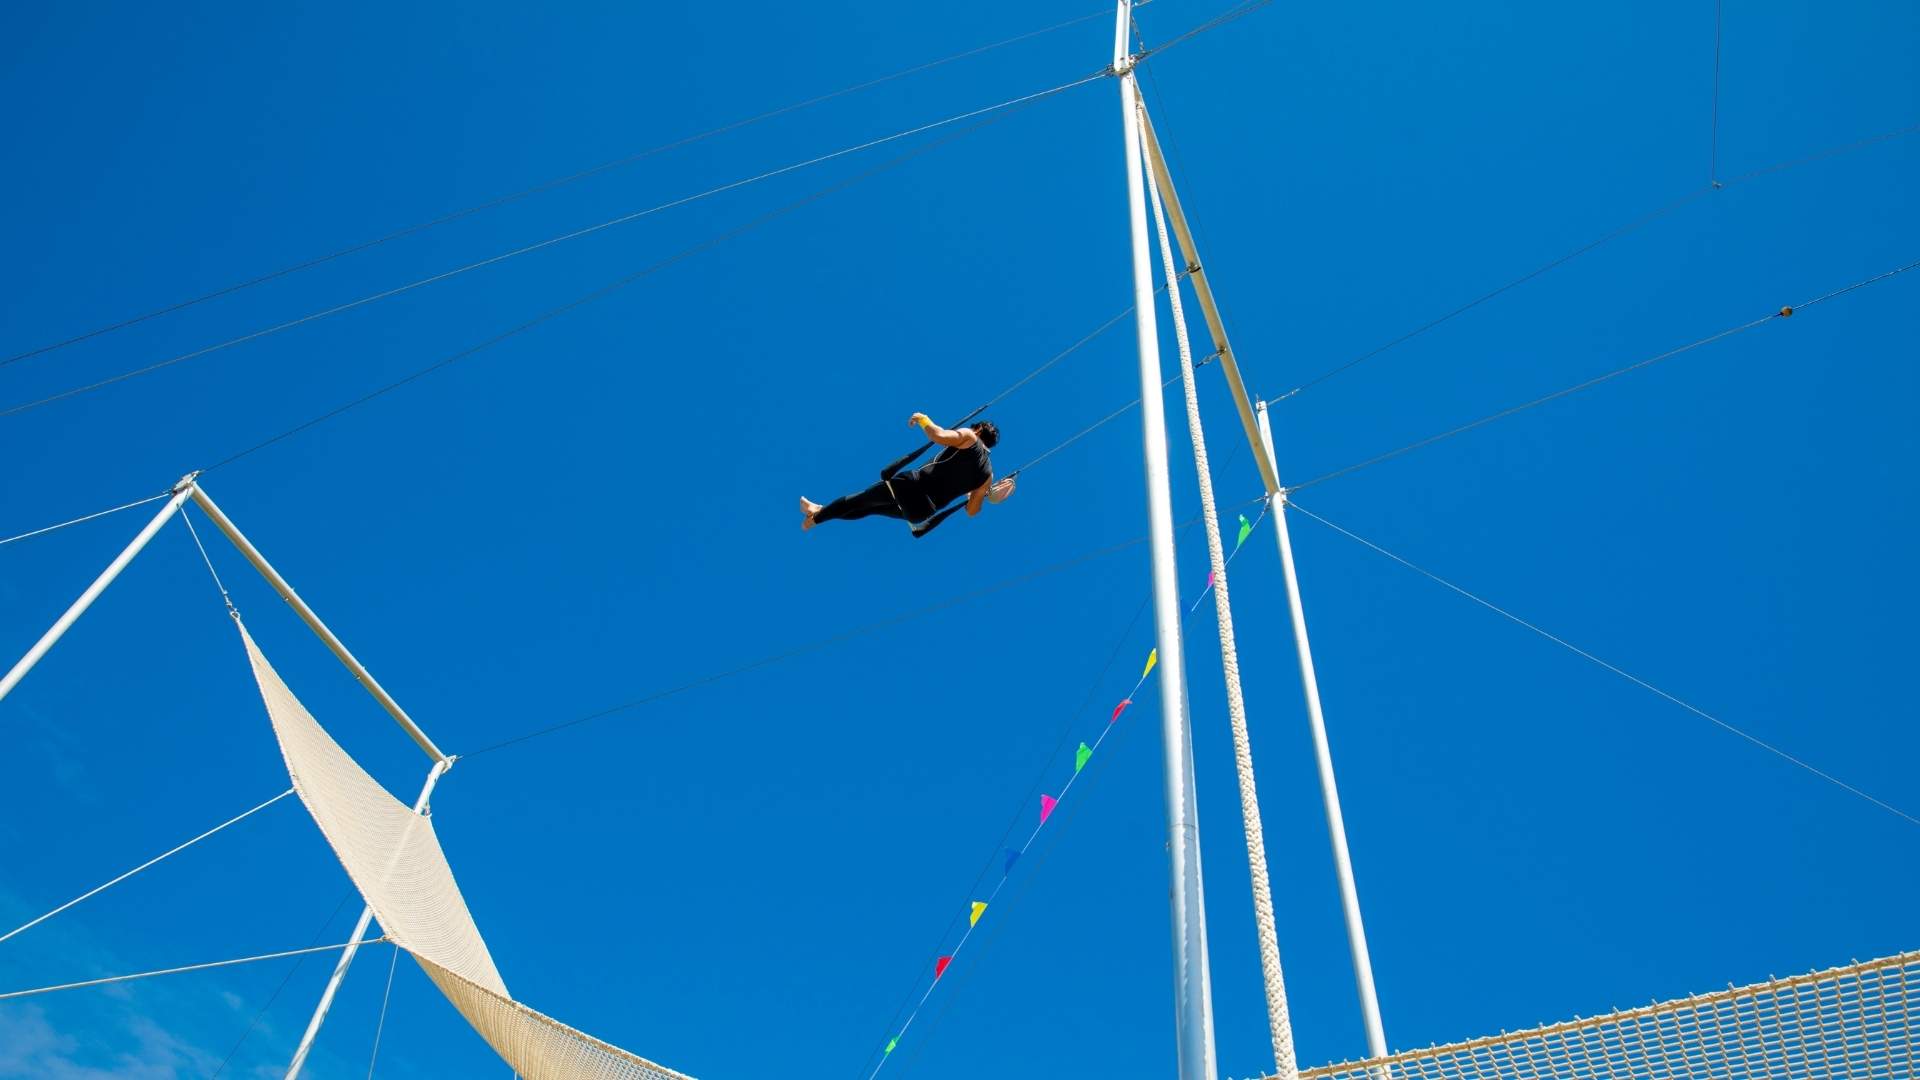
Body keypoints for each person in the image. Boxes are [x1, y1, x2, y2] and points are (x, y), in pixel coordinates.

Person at [801, 413, 1016, 535]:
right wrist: (978, 496)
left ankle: (817, 517)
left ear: (978, 430)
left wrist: (923, 419)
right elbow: (971, 511)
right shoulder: (987, 475)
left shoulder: (970, 437)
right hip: (921, 511)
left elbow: (938, 435)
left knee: (861, 500)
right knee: (867, 509)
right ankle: (819, 511)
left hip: (911, 486)